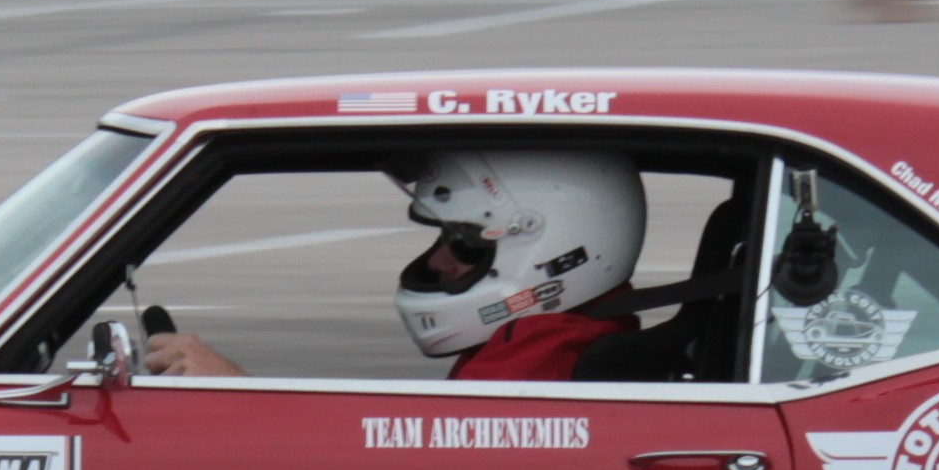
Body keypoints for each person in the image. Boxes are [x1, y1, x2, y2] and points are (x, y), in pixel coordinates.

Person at [136, 149, 649, 383]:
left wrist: (234, 395)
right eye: (444, 240)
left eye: (466, 245)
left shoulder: (527, 369)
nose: (439, 262)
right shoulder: (570, 339)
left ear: (557, 256)